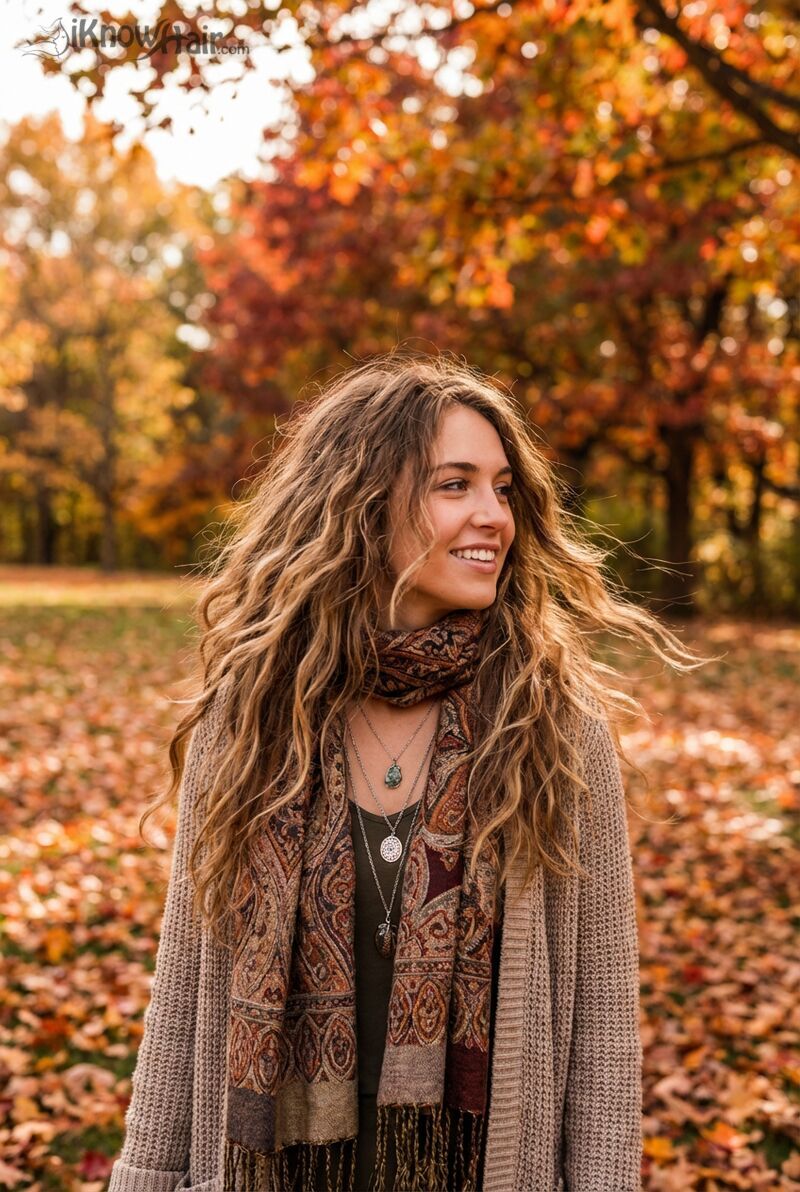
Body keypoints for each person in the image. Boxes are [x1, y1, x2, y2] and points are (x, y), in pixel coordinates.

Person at [107, 351, 702, 1192]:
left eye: (502, 488)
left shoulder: (554, 728)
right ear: (360, 503)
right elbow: (182, 993)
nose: (493, 515)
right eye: (454, 484)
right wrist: (142, 1177)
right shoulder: (251, 724)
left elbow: (604, 1029)